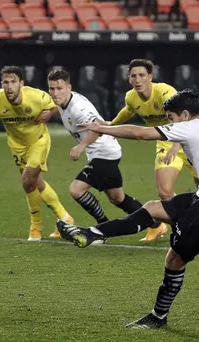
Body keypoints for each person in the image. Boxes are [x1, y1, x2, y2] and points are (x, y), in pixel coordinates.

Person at [57, 89, 199, 329]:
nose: (170, 123)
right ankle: (93, 233)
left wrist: (101, 128)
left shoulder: (190, 126)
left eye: (170, 117)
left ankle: (158, 317)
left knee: (175, 260)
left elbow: (140, 133)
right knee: (154, 208)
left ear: (185, 115)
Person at [0, 66, 75, 241]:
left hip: (39, 141)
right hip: (17, 146)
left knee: (27, 180)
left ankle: (36, 228)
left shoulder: (37, 96)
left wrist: (49, 114)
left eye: (13, 82)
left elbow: (60, 104)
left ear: (21, 84)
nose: (9, 87)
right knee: (36, 183)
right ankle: (65, 218)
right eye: (5, 82)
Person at [46, 68, 145, 235]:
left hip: (104, 152)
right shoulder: (64, 101)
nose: (55, 93)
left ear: (69, 87)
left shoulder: (79, 108)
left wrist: (81, 145)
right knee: (117, 197)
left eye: (59, 88)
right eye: (52, 88)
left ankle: (103, 226)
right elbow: (61, 108)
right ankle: (156, 223)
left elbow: (98, 127)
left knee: (76, 190)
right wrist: (49, 113)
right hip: (104, 152)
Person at [110, 59, 198, 242]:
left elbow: (183, 119)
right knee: (165, 192)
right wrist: (110, 126)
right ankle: (185, 225)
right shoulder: (131, 97)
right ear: (129, 79)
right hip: (165, 143)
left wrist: (177, 144)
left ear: (150, 77)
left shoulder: (165, 92)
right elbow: (128, 111)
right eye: (133, 76)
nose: (137, 80)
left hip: (189, 140)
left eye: (141, 75)